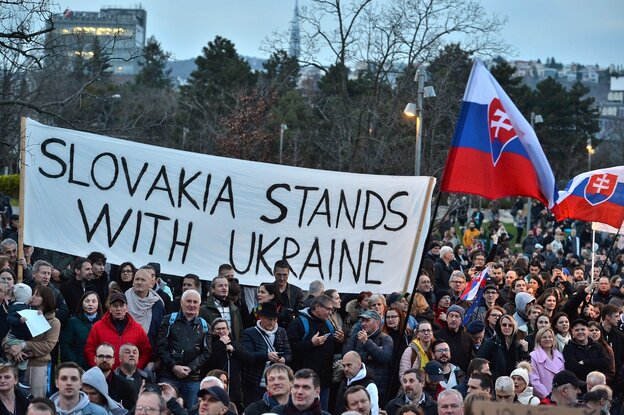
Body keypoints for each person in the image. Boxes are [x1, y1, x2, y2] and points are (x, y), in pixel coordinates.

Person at [157, 289, 211, 409]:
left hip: (192, 379)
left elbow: (206, 352)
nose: (191, 305)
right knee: (165, 409)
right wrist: (173, 366)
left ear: (199, 305)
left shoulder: (205, 326)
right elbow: (161, 347)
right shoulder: (168, 320)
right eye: (188, 301)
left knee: (192, 411)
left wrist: (191, 368)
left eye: (195, 302)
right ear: (181, 303)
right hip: (168, 375)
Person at [5, 285, 61, 398]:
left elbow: (47, 345)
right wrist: (13, 350)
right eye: (33, 294)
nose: (32, 297)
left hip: (38, 367)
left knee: (35, 402)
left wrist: (23, 345)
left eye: (36, 295)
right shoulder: (23, 315)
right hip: (16, 364)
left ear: (45, 299)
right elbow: (7, 339)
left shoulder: (54, 322)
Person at [288, 295, 337, 410]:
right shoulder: (298, 323)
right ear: (317, 307)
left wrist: (339, 340)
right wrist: (311, 344)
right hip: (304, 382)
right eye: (328, 309)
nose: (330, 312)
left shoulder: (329, 323)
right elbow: (290, 347)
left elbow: (333, 348)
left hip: (324, 382)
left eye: (332, 310)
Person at [241, 301, 291, 406]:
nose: (272, 322)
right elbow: (246, 356)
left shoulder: (281, 331)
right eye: (269, 319)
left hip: (275, 382)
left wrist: (284, 360)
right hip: (254, 382)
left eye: (275, 319)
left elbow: (288, 353)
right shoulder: (249, 333)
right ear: (261, 318)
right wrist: (266, 356)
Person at [85, 292, 152, 370]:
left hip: (128, 377)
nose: (118, 309)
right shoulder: (98, 327)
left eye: (121, 305)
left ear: (127, 308)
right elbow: (89, 350)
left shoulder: (137, 328)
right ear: (110, 308)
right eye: (115, 306)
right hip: (105, 375)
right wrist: (98, 369)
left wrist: (135, 370)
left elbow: (146, 351)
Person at [343, 310, 393, 405]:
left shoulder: (385, 338)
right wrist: (368, 356)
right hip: (357, 384)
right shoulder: (355, 337)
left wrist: (367, 342)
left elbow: (385, 357)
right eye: (362, 321)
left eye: (367, 321)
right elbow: (346, 356)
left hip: (378, 385)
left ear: (377, 322)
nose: (363, 324)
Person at [207, 318, 253, 411]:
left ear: (228, 330)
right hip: (216, 388)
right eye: (218, 329)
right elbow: (209, 362)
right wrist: (220, 344)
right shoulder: (209, 345)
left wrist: (234, 350)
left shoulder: (235, 344)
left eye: (224, 328)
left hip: (235, 389)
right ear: (212, 331)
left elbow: (249, 359)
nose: (221, 331)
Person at [476, 314, 529, 381]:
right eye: (504, 325)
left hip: (514, 384)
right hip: (495, 384)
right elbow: (479, 363)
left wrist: (525, 351)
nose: (507, 327)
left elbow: (525, 368)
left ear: (514, 327)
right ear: (499, 326)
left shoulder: (518, 344)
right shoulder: (490, 344)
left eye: (510, 325)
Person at [60, 291, 103, 370]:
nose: (90, 304)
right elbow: (65, 345)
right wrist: (76, 363)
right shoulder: (72, 322)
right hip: (77, 367)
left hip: (98, 367)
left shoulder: (103, 323)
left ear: (98, 304)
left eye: (94, 301)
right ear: (82, 304)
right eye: (87, 301)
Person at [125, 268, 165, 348]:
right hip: (125, 347)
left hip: (148, 349)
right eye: (137, 279)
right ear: (133, 282)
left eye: (143, 280)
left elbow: (160, 330)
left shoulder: (157, 303)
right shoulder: (123, 299)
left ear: (150, 284)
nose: (139, 282)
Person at [200, 275, 243, 342]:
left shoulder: (235, 309)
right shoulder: (204, 309)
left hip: (232, 348)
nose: (224, 288)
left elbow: (240, 331)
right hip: (212, 349)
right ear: (213, 289)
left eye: (226, 286)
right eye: (220, 286)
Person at [5, 282, 33, 387]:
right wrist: (19, 320)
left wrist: (38, 313)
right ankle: (19, 378)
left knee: (22, 358)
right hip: (15, 338)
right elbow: (9, 319)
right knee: (21, 359)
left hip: (22, 339)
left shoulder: (28, 307)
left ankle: (18, 376)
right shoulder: (15, 307)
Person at [529, 327, 564, 399]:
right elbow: (534, 381)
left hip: (560, 398)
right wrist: (548, 397)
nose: (548, 339)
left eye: (550, 337)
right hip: (543, 398)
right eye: (544, 337)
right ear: (539, 340)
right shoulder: (533, 356)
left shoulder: (559, 356)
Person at [434, 305, 472, 373]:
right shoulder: (437, 336)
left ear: (461, 319)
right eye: (451, 316)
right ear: (447, 318)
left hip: (462, 376)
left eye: (457, 316)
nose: (453, 319)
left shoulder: (467, 337)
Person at [111, 343, 149, 410]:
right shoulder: (112, 378)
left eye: (135, 353)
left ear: (138, 358)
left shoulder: (146, 377)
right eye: (127, 352)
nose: (131, 355)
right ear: (120, 358)